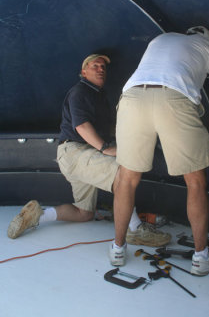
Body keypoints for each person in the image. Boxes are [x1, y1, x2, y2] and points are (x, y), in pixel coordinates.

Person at [110, 27, 209, 275]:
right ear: (206, 39)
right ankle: (202, 257)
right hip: (174, 100)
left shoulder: (161, 38)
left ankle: (117, 248)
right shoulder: (207, 47)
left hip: (132, 97)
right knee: (194, 182)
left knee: (126, 179)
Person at [7, 54, 171, 250]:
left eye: (103, 67)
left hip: (77, 157)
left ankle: (39, 215)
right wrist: (105, 148)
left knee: (83, 213)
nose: (101, 69)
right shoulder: (80, 92)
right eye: (95, 66)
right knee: (124, 174)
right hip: (75, 152)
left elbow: (108, 128)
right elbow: (82, 126)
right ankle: (135, 229)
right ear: (83, 72)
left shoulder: (98, 96)